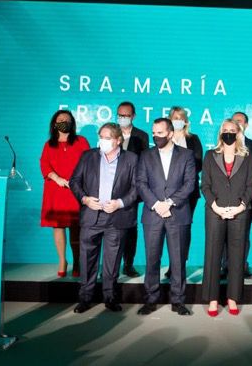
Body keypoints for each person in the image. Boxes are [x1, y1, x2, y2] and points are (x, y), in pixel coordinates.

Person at [70, 123, 138, 313]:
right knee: (87, 260)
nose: (102, 141)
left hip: (117, 218)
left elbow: (137, 187)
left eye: (107, 138)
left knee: (112, 261)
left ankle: (110, 297)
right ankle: (85, 298)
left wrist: (120, 203)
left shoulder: (131, 159)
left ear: (118, 140)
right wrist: (84, 199)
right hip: (91, 216)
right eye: (101, 137)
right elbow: (74, 181)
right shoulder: (88, 156)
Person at [136, 118, 196, 316]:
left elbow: (190, 183)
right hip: (152, 214)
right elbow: (141, 183)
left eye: (160, 133)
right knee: (152, 259)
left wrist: (169, 203)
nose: (156, 137)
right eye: (154, 133)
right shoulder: (145, 155)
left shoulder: (186, 155)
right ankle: (150, 299)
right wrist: (156, 204)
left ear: (170, 134)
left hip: (177, 214)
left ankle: (178, 301)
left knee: (178, 261)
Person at [201, 119, 252, 316]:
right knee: (212, 255)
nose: (228, 133)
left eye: (232, 130)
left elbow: (251, 185)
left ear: (238, 133)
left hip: (239, 212)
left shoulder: (247, 157)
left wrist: (240, 207)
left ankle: (233, 298)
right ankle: (213, 299)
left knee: (236, 256)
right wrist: (215, 206)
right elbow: (205, 185)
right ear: (220, 133)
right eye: (225, 130)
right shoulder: (210, 155)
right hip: (215, 211)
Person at [40, 110, 90, 278]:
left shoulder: (81, 141)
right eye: (61, 120)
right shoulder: (49, 144)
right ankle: (62, 260)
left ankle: (77, 261)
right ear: (54, 124)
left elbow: (89, 162)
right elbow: (44, 164)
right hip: (56, 190)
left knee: (76, 227)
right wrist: (57, 178)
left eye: (67, 120)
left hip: (76, 190)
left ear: (72, 123)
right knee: (58, 226)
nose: (64, 122)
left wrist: (78, 182)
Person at [220, 111, 252, 278]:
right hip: (225, 196)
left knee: (244, 233)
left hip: (247, 197)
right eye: (234, 121)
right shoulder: (223, 143)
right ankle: (225, 267)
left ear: (246, 125)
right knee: (224, 233)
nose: (237, 124)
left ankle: (241, 267)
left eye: (240, 121)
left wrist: (243, 195)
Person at [167, 106, 202, 276]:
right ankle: (171, 264)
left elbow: (199, 162)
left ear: (186, 121)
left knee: (183, 229)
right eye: (175, 118)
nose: (178, 121)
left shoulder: (193, 139)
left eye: (181, 118)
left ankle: (179, 265)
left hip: (189, 192)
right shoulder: (165, 138)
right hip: (167, 192)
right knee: (168, 229)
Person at [116, 101, 149, 278]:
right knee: (110, 228)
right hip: (111, 187)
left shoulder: (141, 136)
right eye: (120, 115)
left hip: (132, 189)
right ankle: (110, 264)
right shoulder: (111, 132)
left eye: (126, 115)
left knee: (130, 227)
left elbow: (145, 162)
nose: (122, 118)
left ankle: (128, 264)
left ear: (133, 116)